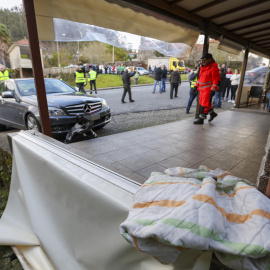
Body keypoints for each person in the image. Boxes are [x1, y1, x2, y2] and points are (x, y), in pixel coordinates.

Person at [193, 53, 220, 124]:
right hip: (202, 90)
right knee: (204, 103)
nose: (203, 61)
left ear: (209, 59)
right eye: (202, 60)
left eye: (205, 60)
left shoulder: (213, 67)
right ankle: (212, 114)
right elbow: (200, 79)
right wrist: (195, 86)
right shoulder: (203, 67)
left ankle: (201, 119)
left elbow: (216, 80)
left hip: (208, 90)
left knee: (204, 105)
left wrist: (213, 90)